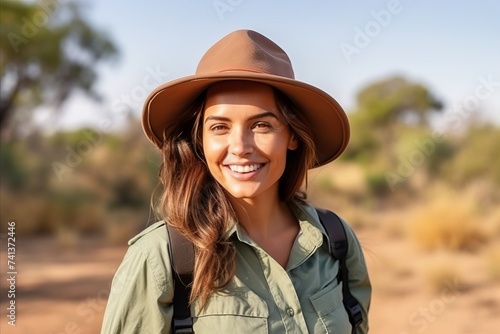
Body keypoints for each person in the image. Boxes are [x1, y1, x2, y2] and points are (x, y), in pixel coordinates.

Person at [101, 29, 371, 334]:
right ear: (200, 140)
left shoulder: (335, 240)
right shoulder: (160, 257)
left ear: (292, 136)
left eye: (262, 125)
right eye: (219, 127)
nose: (241, 147)